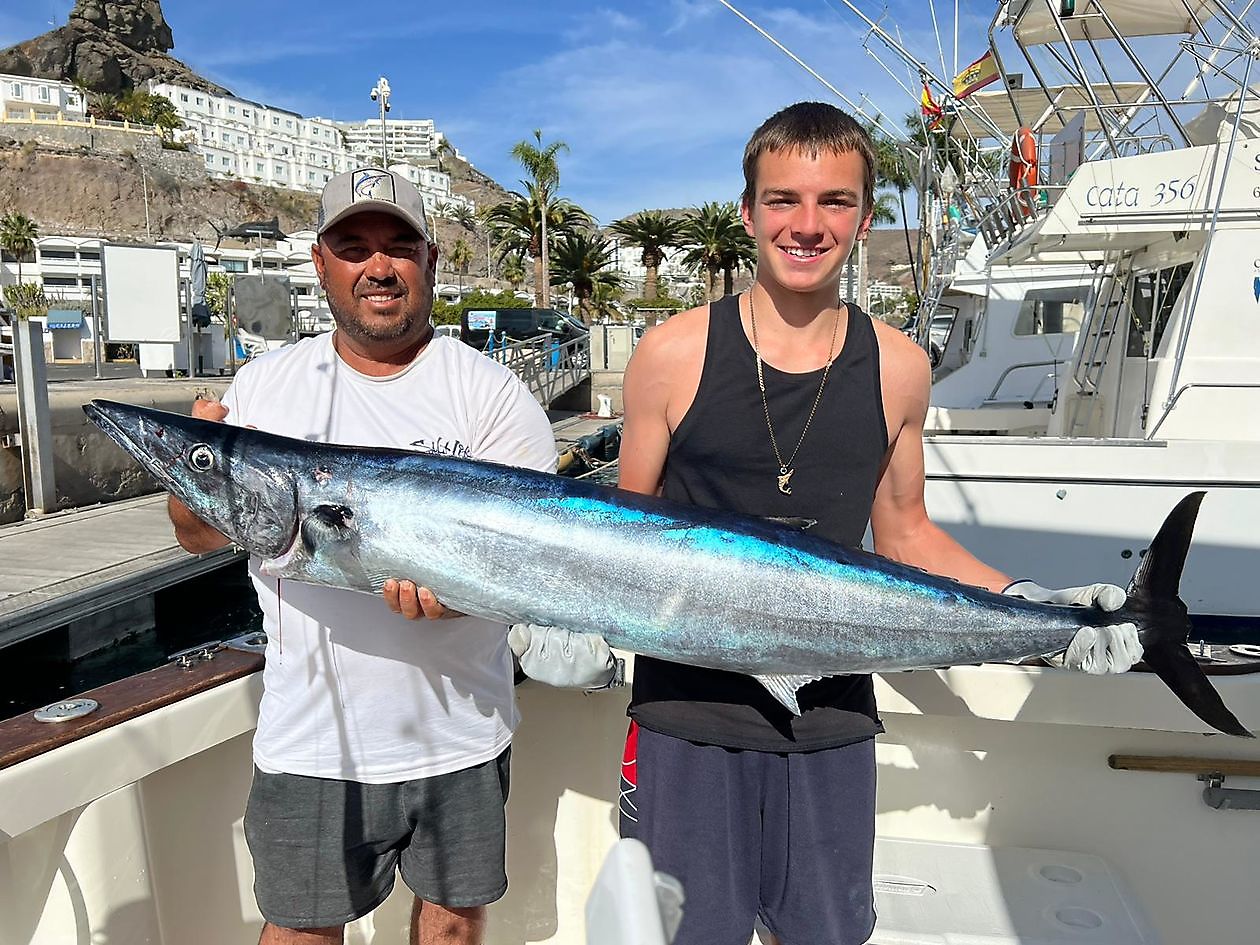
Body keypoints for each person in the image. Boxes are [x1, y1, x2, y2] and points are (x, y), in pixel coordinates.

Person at [614, 102, 1141, 945]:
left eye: (836, 201)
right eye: (783, 199)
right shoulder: (670, 354)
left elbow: (905, 535)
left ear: (864, 219)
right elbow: (617, 536)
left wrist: (1038, 607)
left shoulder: (900, 366)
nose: (807, 225)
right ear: (747, 211)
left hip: (832, 716)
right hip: (684, 717)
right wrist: (562, 625)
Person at [168, 166, 561, 945]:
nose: (378, 266)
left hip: (462, 731)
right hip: (311, 735)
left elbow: (529, 567)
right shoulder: (264, 388)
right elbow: (195, 532)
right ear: (321, 264)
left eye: (398, 247)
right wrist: (197, 470)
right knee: (300, 932)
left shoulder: (492, 394)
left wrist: (461, 597)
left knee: (451, 926)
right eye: (353, 247)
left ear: (430, 261)